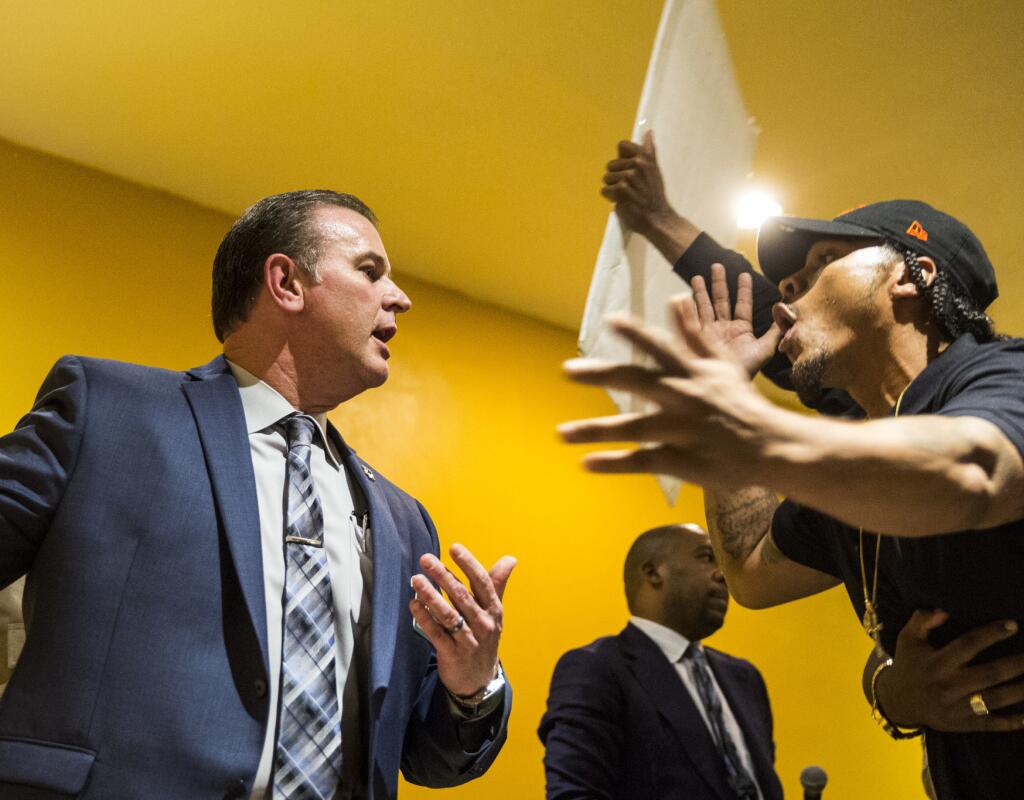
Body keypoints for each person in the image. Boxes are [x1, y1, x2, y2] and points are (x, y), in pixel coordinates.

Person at [559, 198, 1024, 797]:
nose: (785, 295)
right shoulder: (863, 463)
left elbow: (971, 473)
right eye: (783, 286)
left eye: (816, 267)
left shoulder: (1018, 375)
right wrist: (894, 691)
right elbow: (751, 568)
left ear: (912, 276)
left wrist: (756, 437)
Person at [0, 190, 514, 799]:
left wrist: (472, 685)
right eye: (370, 271)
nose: (400, 297)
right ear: (287, 282)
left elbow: (427, 759)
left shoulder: (405, 522)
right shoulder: (106, 412)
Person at [601, 133, 858, 416]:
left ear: (908, 278)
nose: (788, 282)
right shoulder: (847, 392)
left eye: (827, 259)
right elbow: (756, 305)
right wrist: (656, 217)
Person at [538, 524, 783, 800]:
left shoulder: (745, 678)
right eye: (707, 557)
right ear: (653, 573)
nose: (723, 575)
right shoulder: (596, 669)